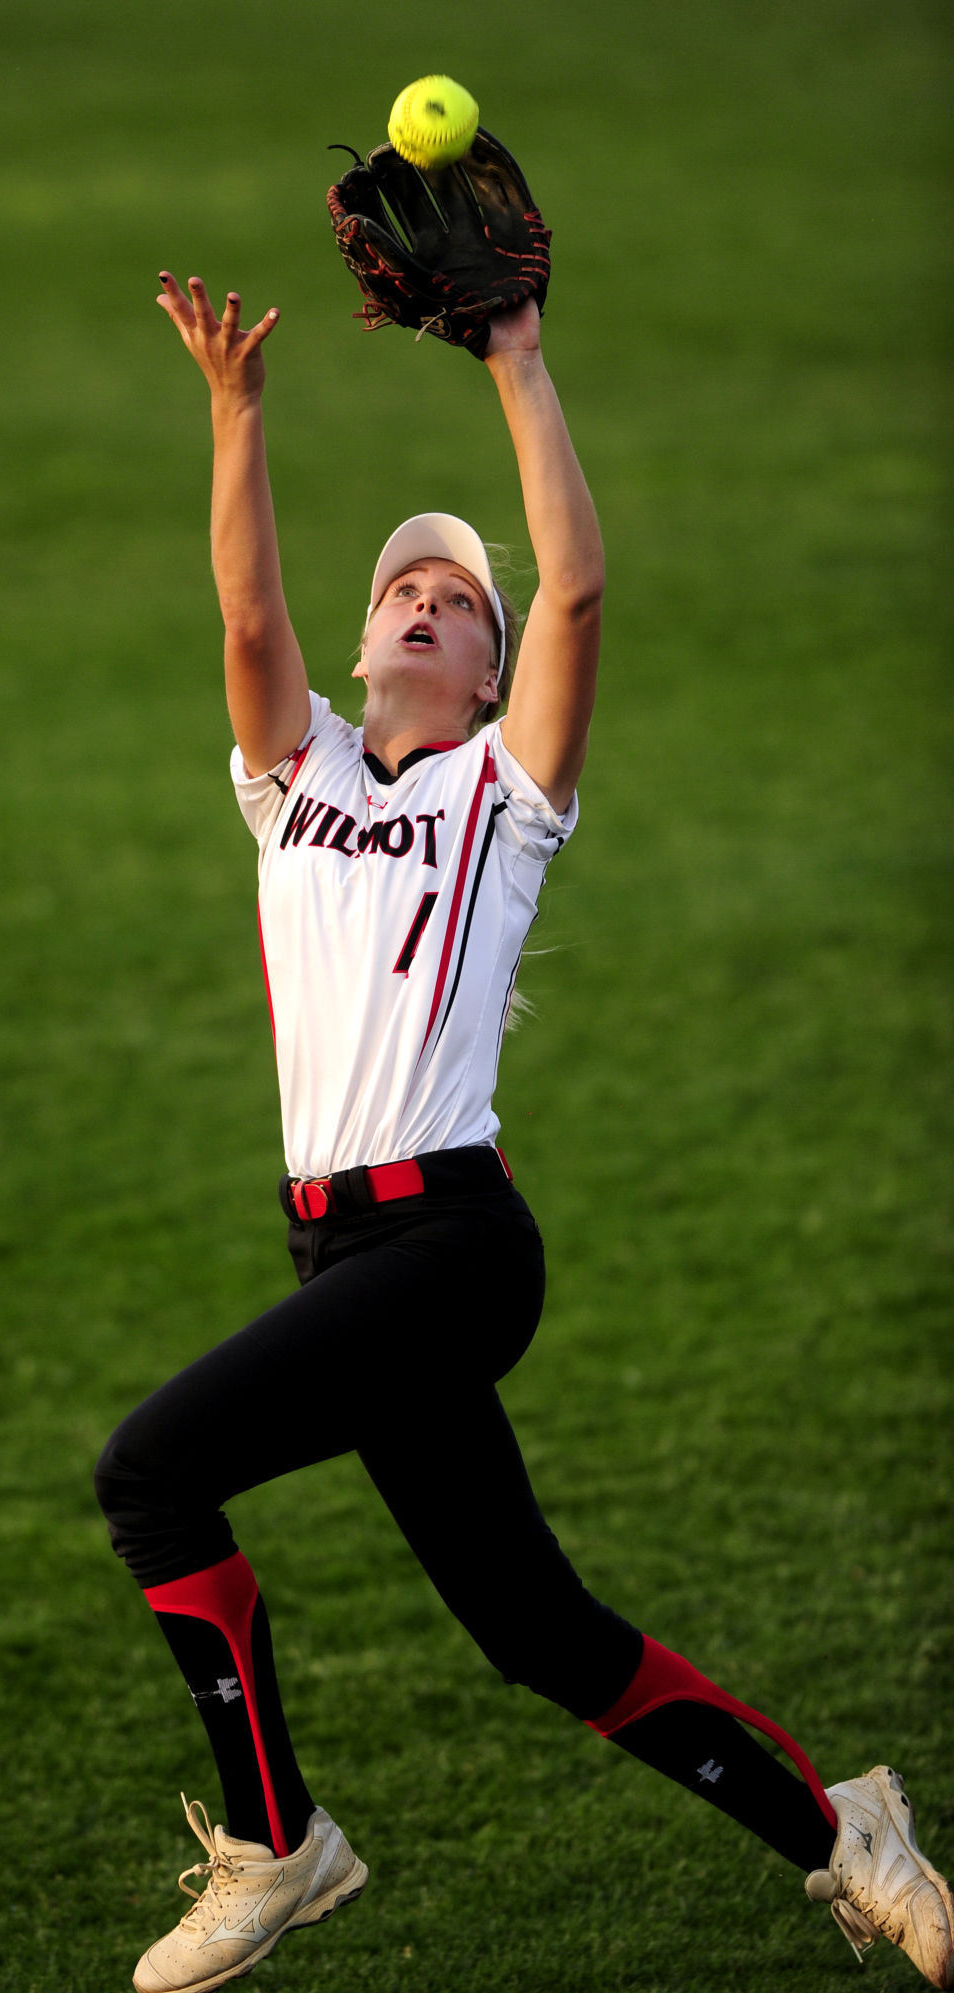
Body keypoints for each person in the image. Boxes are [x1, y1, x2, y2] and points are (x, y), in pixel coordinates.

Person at [94, 271, 953, 1993]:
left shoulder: (506, 798)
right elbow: (245, 610)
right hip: (340, 1250)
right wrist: (235, 412)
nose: (428, 598)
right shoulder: (298, 780)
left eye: (456, 601)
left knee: (151, 1470)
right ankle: (844, 1829)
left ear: (490, 675)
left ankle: (279, 1843)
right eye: (402, 586)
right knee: (536, 1632)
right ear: (364, 646)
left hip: (455, 1247)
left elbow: (577, 577)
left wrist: (518, 358)